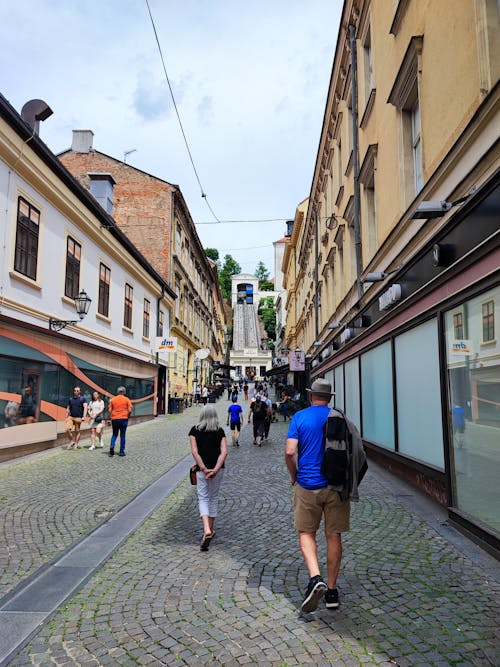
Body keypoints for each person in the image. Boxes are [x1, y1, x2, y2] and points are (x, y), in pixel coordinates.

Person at [285, 378, 349, 613]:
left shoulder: (300, 417)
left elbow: (290, 451)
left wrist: (294, 475)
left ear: (312, 396)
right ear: (329, 398)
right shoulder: (338, 417)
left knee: (306, 533)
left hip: (307, 484)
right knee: (333, 536)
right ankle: (332, 591)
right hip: (335, 486)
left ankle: (315, 578)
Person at [189, 405, 228, 551]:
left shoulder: (195, 430)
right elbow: (224, 452)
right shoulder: (220, 431)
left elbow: (194, 451)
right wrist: (215, 469)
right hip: (218, 469)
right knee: (213, 497)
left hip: (201, 470)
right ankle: (211, 529)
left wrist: (204, 469)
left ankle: (206, 529)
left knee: (203, 498)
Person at [108, 386, 132, 457]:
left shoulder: (113, 399)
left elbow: (109, 410)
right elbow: (130, 410)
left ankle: (112, 446)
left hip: (115, 418)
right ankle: (121, 451)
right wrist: (128, 416)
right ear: (124, 392)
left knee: (114, 434)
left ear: (117, 392)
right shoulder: (126, 399)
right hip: (124, 418)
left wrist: (110, 417)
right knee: (122, 435)